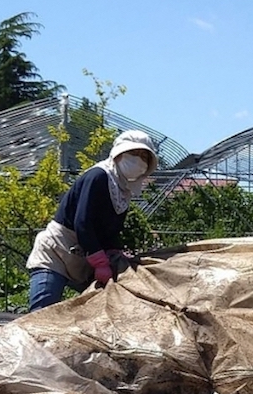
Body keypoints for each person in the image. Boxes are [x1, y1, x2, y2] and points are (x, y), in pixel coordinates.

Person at [26, 129, 159, 311]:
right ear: (119, 154)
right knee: (41, 315)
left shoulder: (123, 191)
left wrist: (114, 253)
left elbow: (111, 232)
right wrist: (100, 262)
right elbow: (83, 223)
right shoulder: (98, 176)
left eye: (144, 157)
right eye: (134, 153)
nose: (139, 160)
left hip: (83, 260)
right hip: (56, 252)